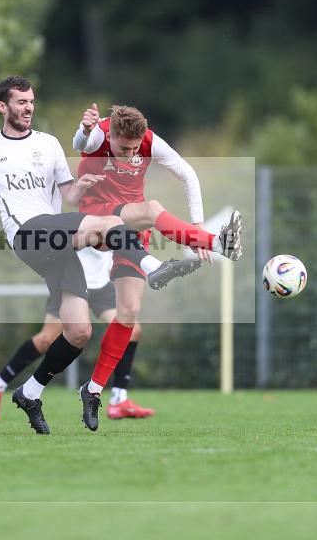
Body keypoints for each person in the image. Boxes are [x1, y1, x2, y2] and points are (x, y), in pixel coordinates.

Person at [0, 76, 195, 435]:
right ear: (2, 107)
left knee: (78, 331)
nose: (28, 107)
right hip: (29, 234)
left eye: (31, 101)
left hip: (57, 243)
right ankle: (154, 267)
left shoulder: (48, 145)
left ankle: (29, 393)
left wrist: (83, 187)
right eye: (20, 102)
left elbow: (70, 196)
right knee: (109, 223)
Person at [72, 103, 243, 432]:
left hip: (132, 227)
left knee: (129, 313)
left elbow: (187, 174)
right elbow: (82, 144)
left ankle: (92, 390)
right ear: (114, 134)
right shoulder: (100, 136)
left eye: (136, 149)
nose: (131, 154)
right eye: (125, 148)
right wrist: (84, 129)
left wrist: (194, 222)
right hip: (97, 217)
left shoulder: (148, 141)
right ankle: (215, 242)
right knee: (152, 208)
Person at [0, 246, 155, 422]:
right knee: (46, 339)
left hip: (101, 285)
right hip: (73, 283)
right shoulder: (86, 217)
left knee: (132, 331)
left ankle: (119, 399)